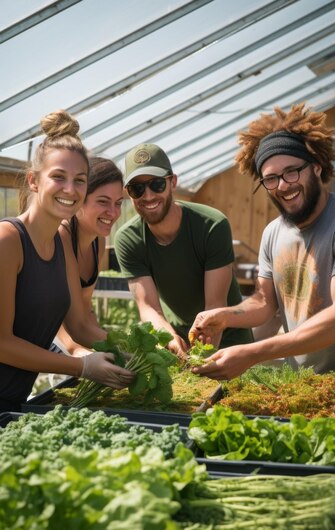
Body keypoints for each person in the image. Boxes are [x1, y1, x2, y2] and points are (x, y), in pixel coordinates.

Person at [189, 103, 335, 381]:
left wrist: (254, 352)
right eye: (271, 179)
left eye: (292, 172)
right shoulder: (273, 232)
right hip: (302, 384)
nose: (283, 186)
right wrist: (225, 315)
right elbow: (265, 301)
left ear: (315, 167)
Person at [0, 109, 134, 412]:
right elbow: (1, 342)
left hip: (13, 401)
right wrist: (81, 366)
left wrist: (133, 349)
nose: (70, 190)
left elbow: (78, 322)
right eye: (58, 177)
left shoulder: (59, 246)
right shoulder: (8, 239)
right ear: (34, 181)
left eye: (80, 180)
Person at [114, 142, 253, 357]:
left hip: (229, 338)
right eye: (137, 188)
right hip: (177, 338)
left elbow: (215, 305)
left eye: (157, 184)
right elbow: (148, 306)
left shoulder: (211, 225)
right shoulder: (128, 239)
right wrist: (168, 338)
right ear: (128, 194)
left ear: (173, 182)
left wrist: (202, 358)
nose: (148, 196)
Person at [54, 156, 124, 356]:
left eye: (118, 203)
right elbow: (56, 319)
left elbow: (85, 310)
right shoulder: (60, 237)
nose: (113, 212)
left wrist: (111, 342)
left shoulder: (97, 241)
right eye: (103, 202)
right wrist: (78, 351)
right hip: (41, 341)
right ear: (79, 200)